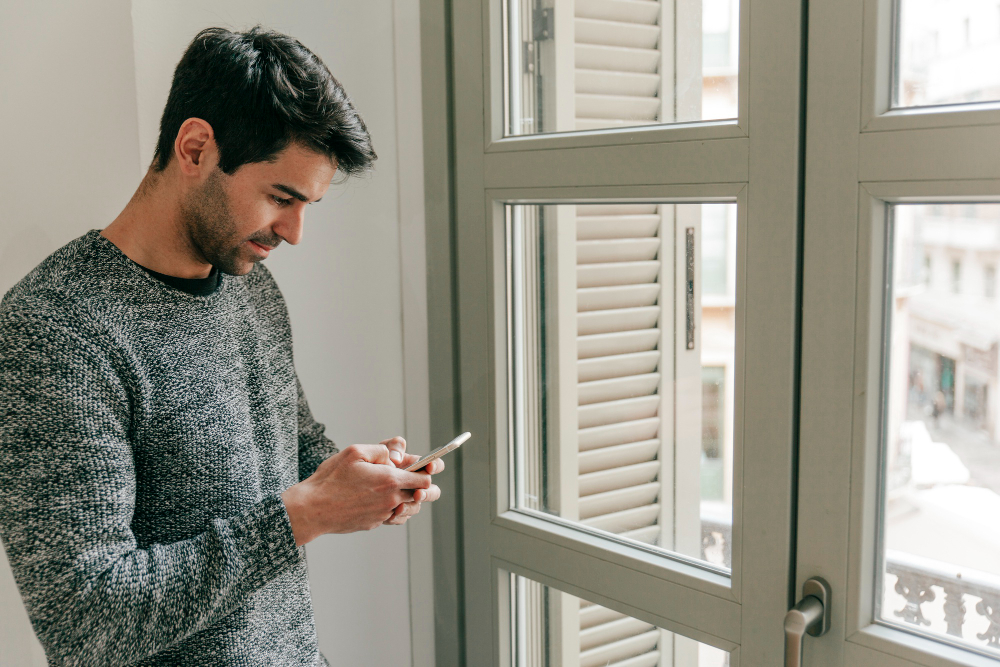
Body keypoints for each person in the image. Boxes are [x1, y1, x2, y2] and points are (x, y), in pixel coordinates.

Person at [0, 26, 442, 666]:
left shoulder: (249, 287)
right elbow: (85, 622)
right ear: (196, 147)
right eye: (280, 197)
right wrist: (302, 518)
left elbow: (283, 445)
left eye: (307, 204)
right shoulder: (56, 329)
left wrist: (365, 479)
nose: (294, 233)